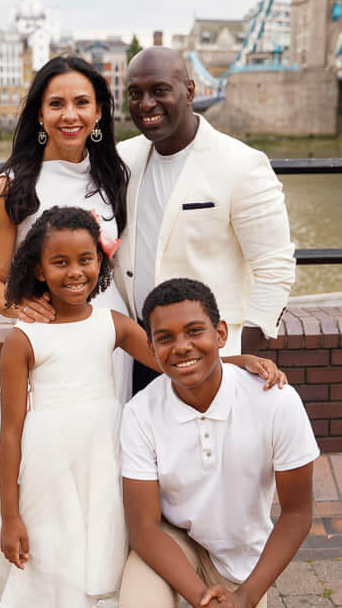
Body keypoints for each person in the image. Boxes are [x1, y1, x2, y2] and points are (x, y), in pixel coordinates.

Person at [0, 209, 282, 607]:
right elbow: (10, 431)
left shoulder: (113, 323)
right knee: (51, 554)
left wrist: (238, 361)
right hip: (48, 464)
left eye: (85, 259)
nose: (75, 272)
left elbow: (173, 362)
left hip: (105, 455)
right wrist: (9, 515)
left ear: (100, 262)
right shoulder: (24, 340)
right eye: (60, 262)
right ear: (39, 270)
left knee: (102, 548)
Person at [120, 278, 319, 608]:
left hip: (244, 560)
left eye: (194, 331)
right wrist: (202, 599)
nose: (181, 346)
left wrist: (245, 598)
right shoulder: (140, 413)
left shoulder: (276, 401)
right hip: (174, 540)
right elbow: (144, 527)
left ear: (221, 334)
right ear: (151, 349)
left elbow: (297, 513)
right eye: (165, 338)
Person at [114, 46, 296, 392]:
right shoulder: (124, 157)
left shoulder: (242, 164)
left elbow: (275, 270)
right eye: (135, 94)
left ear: (190, 91)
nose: (146, 104)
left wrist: (233, 360)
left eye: (160, 90)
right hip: (139, 354)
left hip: (211, 360)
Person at [0, 55, 132, 462]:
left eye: (82, 103)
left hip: (108, 340)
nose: (70, 115)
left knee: (105, 456)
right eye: (56, 104)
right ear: (40, 114)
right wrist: (22, 307)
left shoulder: (113, 177)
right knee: (42, 457)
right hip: (49, 340)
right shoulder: (9, 189)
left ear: (98, 112)